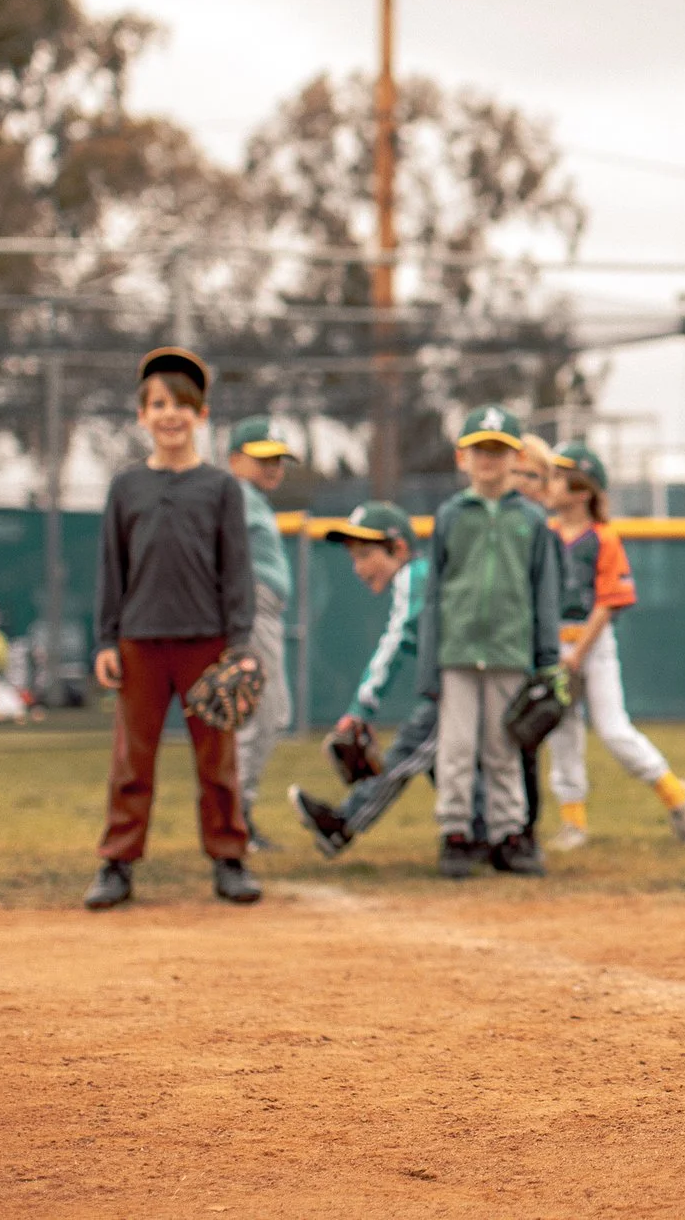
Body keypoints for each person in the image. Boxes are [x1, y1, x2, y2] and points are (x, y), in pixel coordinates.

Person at [84, 347, 262, 910]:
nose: (170, 415)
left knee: (216, 759)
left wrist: (239, 645)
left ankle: (229, 858)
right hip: (139, 640)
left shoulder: (221, 488)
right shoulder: (126, 488)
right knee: (132, 759)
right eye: (159, 404)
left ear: (202, 415)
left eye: (183, 405)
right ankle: (117, 863)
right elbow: (113, 568)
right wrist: (106, 639)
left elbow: (236, 571)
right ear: (142, 415)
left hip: (206, 641)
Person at [285, 500, 489, 858]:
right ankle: (483, 833)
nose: (358, 568)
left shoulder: (414, 575)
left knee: (410, 750)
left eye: (365, 554)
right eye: (352, 558)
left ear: (399, 548)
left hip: (460, 683)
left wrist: (361, 707)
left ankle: (343, 825)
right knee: (437, 759)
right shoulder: (426, 575)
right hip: (469, 679)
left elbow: (393, 645)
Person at [541, 440, 685, 850]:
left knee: (614, 730)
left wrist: (578, 653)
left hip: (592, 643)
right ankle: (573, 823)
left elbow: (609, 602)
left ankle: (680, 797)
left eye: (560, 478)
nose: (551, 484)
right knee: (561, 735)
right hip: (551, 643)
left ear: (582, 491)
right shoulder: (543, 535)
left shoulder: (603, 538)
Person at [420, 405, 563, 879]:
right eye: (481, 450)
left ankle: (509, 834)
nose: (489, 460)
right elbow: (435, 593)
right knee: (457, 748)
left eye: (499, 451)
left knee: (504, 749)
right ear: (463, 457)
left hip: (509, 649)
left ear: (515, 456)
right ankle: (456, 832)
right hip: (458, 651)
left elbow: (544, 592)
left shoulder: (531, 520)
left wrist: (545, 660)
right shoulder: (451, 515)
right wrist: (429, 663)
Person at [226, 416, 298, 850]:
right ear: (235, 459)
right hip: (251, 611)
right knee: (257, 715)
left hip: (263, 614)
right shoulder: (234, 494)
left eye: (279, 459)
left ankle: (237, 812)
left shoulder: (250, 497)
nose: (274, 467)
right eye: (263, 458)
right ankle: (235, 817)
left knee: (273, 713)